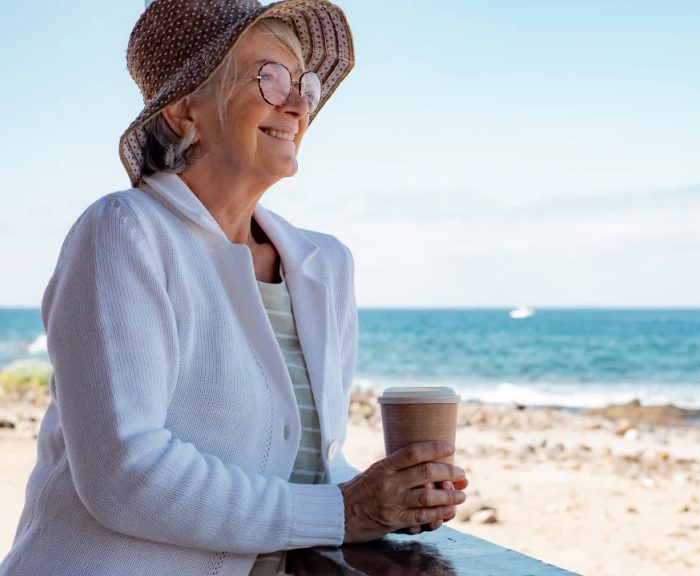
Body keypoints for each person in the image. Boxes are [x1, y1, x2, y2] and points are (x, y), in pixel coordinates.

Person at [0, 1, 467, 575]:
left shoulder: (327, 266)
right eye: (270, 79)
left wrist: (393, 495)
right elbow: (125, 473)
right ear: (182, 110)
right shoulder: (125, 231)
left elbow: (299, 471)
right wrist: (345, 511)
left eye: (305, 84)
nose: (297, 105)